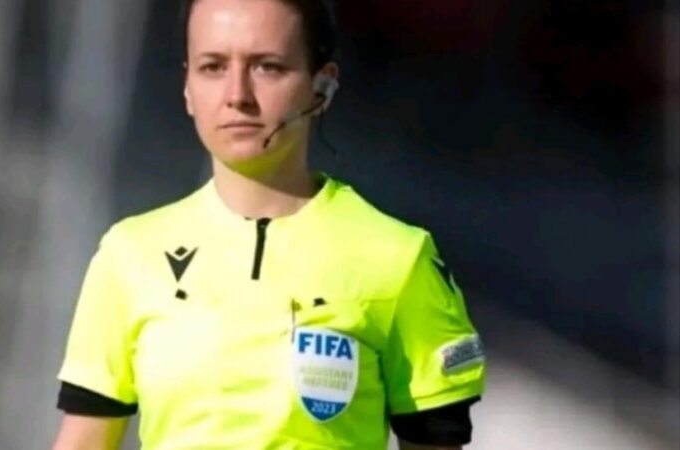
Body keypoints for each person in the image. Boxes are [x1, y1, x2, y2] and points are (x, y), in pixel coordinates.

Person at [51, 0, 486, 449]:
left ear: (321, 86)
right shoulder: (129, 255)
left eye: (267, 67)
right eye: (213, 67)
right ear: (187, 87)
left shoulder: (398, 259)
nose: (237, 94)